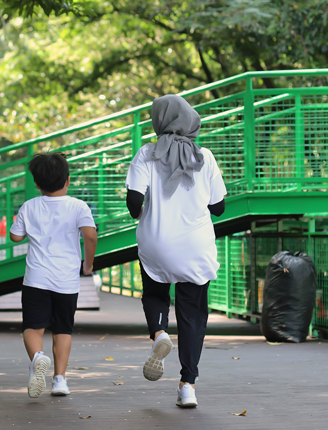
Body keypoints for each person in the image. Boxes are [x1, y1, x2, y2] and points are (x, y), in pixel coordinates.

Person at [125, 94, 227, 408]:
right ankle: (188, 386)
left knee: (155, 293)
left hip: (157, 242)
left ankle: (158, 333)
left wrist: (147, 212)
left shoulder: (147, 153)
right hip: (195, 247)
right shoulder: (205, 156)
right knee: (193, 315)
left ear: (159, 121)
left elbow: (133, 204)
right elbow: (219, 207)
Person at [9, 152, 97, 399]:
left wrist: (25, 229)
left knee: (32, 327)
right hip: (66, 281)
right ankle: (60, 380)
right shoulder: (79, 206)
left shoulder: (30, 206)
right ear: (67, 180)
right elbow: (90, 236)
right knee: (63, 330)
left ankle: (37, 358)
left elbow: (15, 236)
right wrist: (88, 265)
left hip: (36, 279)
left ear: (36, 183)